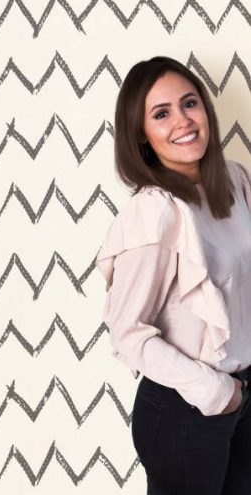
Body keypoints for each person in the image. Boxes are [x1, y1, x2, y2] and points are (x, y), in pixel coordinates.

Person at [95, 55, 251, 495]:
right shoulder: (155, 212)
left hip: (240, 397)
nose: (182, 120)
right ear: (141, 135)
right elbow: (127, 331)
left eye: (189, 103)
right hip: (186, 409)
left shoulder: (235, 181)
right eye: (161, 114)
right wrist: (215, 392)